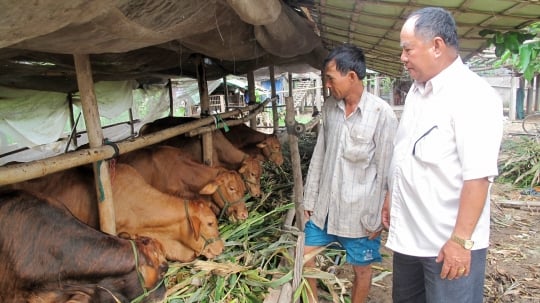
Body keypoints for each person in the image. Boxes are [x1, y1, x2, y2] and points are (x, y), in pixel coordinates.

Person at [382, 7, 503, 303]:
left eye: (408, 49)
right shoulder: (416, 92)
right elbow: (404, 153)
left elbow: (478, 176)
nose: (403, 57)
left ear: (436, 46)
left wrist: (460, 241)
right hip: (410, 238)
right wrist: (390, 194)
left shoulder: (473, 96)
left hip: (446, 244)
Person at [302, 44, 398, 303]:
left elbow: (387, 169)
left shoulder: (381, 114)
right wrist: (309, 200)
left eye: (331, 78)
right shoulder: (330, 109)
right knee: (305, 257)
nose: (328, 85)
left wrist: (380, 214)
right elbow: (319, 156)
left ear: (352, 76)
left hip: (360, 214)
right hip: (325, 208)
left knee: (362, 269)